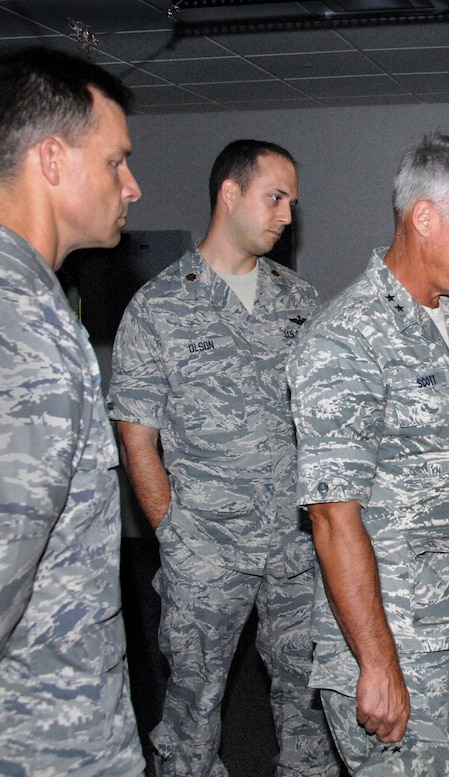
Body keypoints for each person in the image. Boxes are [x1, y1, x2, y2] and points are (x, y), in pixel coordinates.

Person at [287, 133, 449, 776]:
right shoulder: (346, 341)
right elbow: (334, 518)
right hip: (403, 643)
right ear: (424, 218)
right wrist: (378, 664)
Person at [107, 139, 339, 776]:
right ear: (229, 194)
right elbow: (136, 437)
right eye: (275, 196)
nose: (288, 214)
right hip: (205, 549)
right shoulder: (159, 307)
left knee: (310, 700)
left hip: (295, 547)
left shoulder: (300, 301)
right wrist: (173, 535)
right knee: (194, 706)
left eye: (293, 200)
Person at [0, 46, 145, 775]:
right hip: (42, 734)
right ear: (51, 160)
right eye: (116, 161)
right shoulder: (22, 322)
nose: (133, 185)